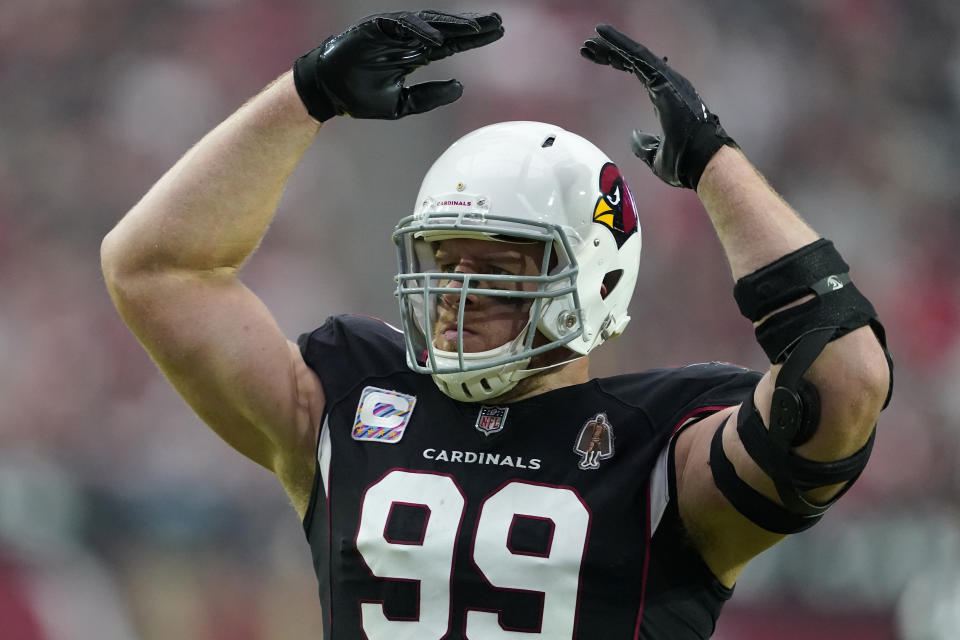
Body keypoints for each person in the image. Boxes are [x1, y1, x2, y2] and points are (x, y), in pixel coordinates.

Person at [101, 9, 893, 639]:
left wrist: (715, 165)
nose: (455, 291)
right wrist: (308, 94)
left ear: (594, 278)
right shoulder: (345, 402)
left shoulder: (663, 457)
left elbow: (844, 381)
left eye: (500, 266)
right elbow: (155, 269)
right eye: (443, 261)